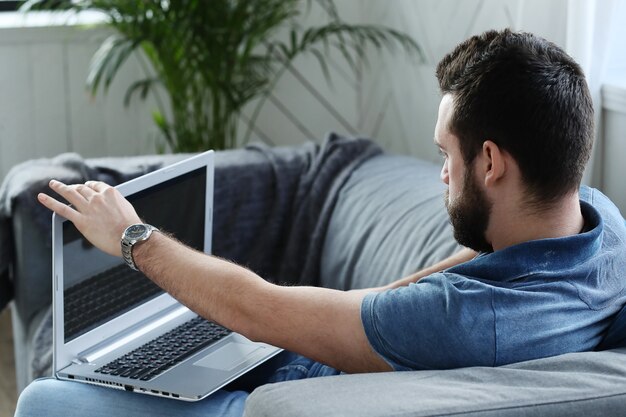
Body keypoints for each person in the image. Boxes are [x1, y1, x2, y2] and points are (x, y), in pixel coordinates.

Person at [15, 28, 626, 416]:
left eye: (445, 154)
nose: (442, 173)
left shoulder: (466, 321)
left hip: (278, 398)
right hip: (303, 364)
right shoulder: (601, 227)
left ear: (491, 161)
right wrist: (384, 295)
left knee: (42, 399)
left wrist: (129, 234)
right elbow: (488, 266)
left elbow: (261, 310)